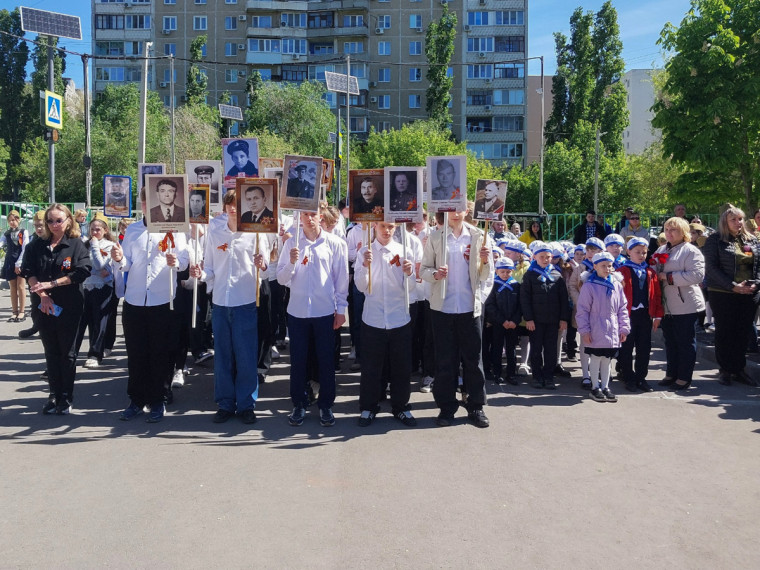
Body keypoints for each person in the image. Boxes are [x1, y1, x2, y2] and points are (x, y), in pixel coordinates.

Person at [111, 187, 189, 423]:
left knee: (161, 353)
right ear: (143, 204)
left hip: (162, 299)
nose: (149, 206)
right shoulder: (133, 230)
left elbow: (184, 261)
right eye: (145, 203)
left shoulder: (175, 228)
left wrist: (176, 261)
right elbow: (126, 263)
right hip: (135, 300)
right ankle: (136, 399)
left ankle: (159, 399)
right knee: (136, 353)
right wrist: (119, 259)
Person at [190, 189, 269, 423]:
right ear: (224, 208)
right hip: (221, 303)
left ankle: (246, 404)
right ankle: (225, 403)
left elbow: (265, 268)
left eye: (236, 204)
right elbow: (211, 269)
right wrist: (200, 273)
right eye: (228, 204)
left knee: (246, 356)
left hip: (245, 301)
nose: (232, 208)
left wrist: (261, 263)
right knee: (223, 356)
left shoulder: (255, 232)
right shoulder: (215, 232)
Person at [277, 203, 348, 427]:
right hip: (298, 312)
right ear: (299, 217)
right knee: (298, 361)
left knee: (325, 360)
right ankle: (299, 403)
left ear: (321, 216)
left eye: (313, 214)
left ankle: (326, 405)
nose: (309, 219)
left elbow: (341, 279)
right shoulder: (291, 243)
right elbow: (281, 279)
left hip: (324, 311)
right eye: (305, 214)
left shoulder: (335, 243)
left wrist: (341, 310)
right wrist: (291, 262)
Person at [420, 209, 494, 427]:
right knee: (445, 361)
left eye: (459, 208)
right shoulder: (435, 236)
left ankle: (476, 406)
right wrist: (435, 275)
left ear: (466, 211)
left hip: (469, 309)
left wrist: (486, 261)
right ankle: (446, 407)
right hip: (443, 308)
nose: (455, 213)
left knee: (473, 360)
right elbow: (424, 269)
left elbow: (485, 275)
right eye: (450, 209)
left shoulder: (479, 235)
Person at [22, 204, 91, 415]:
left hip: (69, 306)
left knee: (67, 353)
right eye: (50, 221)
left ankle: (66, 397)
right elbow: (29, 271)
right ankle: (53, 394)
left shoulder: (76, 244)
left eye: (58, 220)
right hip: (43, 306)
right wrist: (42, 295)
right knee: (51, 352)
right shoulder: (36, 245)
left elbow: (82, 271)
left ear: (68, 221)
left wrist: (52, 285)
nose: (54, 225)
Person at [354, 220, 417, 427]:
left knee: (401, 367)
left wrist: (409, 274)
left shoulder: (403, 250)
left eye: (390, 226)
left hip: (399, 317)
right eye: (382, 226)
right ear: (374, 227)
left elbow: (411, 289)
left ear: (396, 227)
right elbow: (361, 286)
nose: (386, 230)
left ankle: (401, 407)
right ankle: (368, 407)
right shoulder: (365, 251)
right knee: (371, 367)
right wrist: (364, 265)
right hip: (373, 318)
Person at [703, 206, 760, 387]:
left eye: (740, 219)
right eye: (733, 220)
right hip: (723, 293)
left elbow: (758, 265)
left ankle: (739, 369)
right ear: (725, 222)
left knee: (743, 332)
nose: (738, 223)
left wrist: (756, 283)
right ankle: (725, 370)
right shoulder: (715, 240)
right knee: (725, 332)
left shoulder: (752, 240)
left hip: (749, 293)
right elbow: (711, 268)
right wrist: (732, 286)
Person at [655, 217, 705, 392]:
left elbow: (697, 276)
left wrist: (668, 277)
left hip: (685, 304)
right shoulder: (661, 249)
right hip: (667, 305)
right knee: (670, 341)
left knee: (685, 342)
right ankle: (671, 373)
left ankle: (684, 377)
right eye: (667, 229)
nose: (669, 233)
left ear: (683, 232)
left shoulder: (691, 251)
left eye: (673, 230)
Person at [575, 252, 630, 402]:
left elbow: (622, 308)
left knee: (607, 359)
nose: (607, 269)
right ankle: (595, 387)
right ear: (595, 266)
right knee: (595, 357)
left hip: (612, 328)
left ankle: (605, 386)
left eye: (609, 266)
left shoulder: (616, 285)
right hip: (595, 328)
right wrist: (584, 330)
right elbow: (583, 310)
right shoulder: (589, 285)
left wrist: (624, 327)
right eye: (603, 266)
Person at [520, 241, 570, 390]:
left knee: (550, 349)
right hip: (535, 321)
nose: (545, 259)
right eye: (542, 256)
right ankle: (537, 376)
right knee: (536, 349)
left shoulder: (556, 275)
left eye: (548, 256)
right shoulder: (529, 275)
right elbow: (525, 299)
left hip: (553, 320)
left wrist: (563, 318)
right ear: (535, 257)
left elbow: (563, 299)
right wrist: (528, 318)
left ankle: (548, 376)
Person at [617, 237, 663, 392]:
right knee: (626, 347)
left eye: (644, 252)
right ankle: (628, 376)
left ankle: (641, 377)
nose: (641, 255)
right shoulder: (622, 271)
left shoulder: (650, 272)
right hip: (627, 316)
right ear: (628, 252)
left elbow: (657, 295)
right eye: (637, 252)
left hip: (645, 315)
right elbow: (616, 296)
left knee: (644, 347)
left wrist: (657, 315)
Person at [74, 214, 117, 369]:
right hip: (86, 286)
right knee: (81, 321)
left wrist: (95, 246)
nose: (94, 232)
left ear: (105, 230)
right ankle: (72, 353)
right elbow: (80, 266)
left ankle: (95, 354)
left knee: (99, 322)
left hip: (103, 288)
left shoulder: (110, 246)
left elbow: (100, 265)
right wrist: (93, 272)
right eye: (92, 229)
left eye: (98, 229)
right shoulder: (83, 244)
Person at [484, 257, 521, 385]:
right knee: (497, 349)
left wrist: (514, 321)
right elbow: (490, 306)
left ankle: (511, 374)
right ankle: (497, 373)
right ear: (497, 271)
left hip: (512, 324)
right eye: (502, 271)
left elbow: (520, 306)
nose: (505, 274)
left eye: (508, 271)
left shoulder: (516, 285)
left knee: (511, 349)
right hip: (498, 324)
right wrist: (502, 320)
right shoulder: (493, 285)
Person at [18, 212, 47, 339]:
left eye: (41, 225)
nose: (38, 229)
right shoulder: (33, 243)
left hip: (54, 283)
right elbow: (27, 267)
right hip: (36, 283)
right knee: (36, 308)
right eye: (36, 226)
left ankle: (44, 329)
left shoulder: (55, 242)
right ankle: (38, 327)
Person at [1, 210, 29, 322]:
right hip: (9, 261)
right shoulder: (6, 233)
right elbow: (1, 243)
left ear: (19, 220)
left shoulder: (23, 231)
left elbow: (25, 248)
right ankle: (14, 312)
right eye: (10, 220)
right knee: (12, 287)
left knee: (21, 286)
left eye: (15, 219)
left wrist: (19, 262)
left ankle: (22, 311)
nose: (13, 222)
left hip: (20, 261)